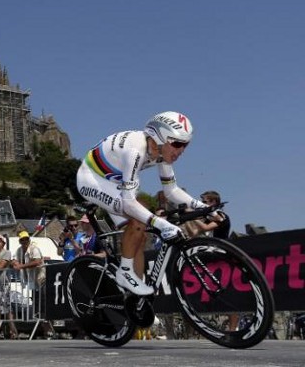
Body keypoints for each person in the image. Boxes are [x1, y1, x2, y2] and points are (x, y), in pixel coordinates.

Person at [77, 111, 212, 296]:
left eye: (185, 145)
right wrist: (161, 223)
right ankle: (124, 272)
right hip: (91, 179)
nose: (181, 150)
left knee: (139, 238)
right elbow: (129, 203)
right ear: (160, 138)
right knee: (138, 216)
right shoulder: (136, 151)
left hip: (114, 182)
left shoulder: (161, 152)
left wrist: (203, 207)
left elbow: (171, 191)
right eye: (178, 144)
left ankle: (136, 300)